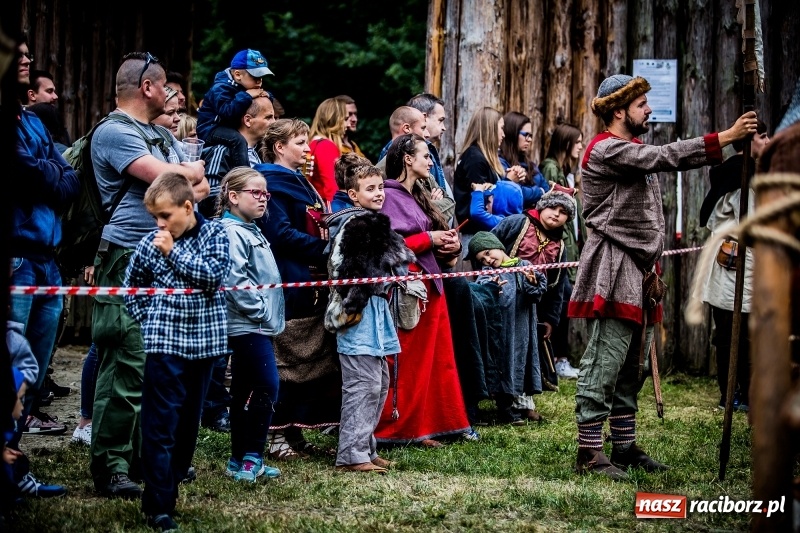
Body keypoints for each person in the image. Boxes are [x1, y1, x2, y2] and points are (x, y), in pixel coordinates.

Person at [568, 74, 758, 479]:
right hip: (613, 268)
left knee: (633, 365)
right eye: (640, 105)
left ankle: (623, 445)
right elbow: (665, 156)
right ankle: (589, 452)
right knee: (605, 360)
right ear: (618, 110)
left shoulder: (630, 149)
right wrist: (726, 136)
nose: (649, 110)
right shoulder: (606, 150)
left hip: (640, 273)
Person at [89, 51, 209, 499]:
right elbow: (167, 177)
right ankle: (111, 466)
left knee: (158, 363)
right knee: (125, 363)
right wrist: (184, 172)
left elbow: (198, 188)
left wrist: (186, 174)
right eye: (166, 88)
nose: (172, 96)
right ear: (148, 88)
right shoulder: (115, 132)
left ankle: (144, 458)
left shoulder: (157, 134)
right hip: (127, 256)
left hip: (165, 255)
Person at [124, 172, 230, 531]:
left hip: (204, 347)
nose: (160, 224)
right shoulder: (151, 243)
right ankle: (158, 503)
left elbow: (213, 277)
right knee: (160, 424)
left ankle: (173, 482)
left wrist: (174, 255)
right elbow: (131, 286)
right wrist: (149, 320)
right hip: (164, 346)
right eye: (155, 217)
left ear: (188, 207)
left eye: (165, 216)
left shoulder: (216, 234)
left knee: (187, 426)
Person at [375, 133, 473, 446]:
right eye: (425, 155)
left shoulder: (418, 195)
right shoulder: (389, 197)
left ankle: (426, 427)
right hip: (409, 289)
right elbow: (388, 245)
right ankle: (399, 429)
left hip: (430, 285)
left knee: (434, 362)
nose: (430, 162)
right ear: (407, 159)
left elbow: (426, 240)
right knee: (410, 363)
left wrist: (447, 246)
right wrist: (430, 240)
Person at [255, 119, 340, 460]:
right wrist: (327, 248)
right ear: (279, 147)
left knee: (309, 359)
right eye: (300, 143)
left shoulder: (300, 182)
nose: (308, 149)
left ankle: (295, 432)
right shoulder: (270, 182)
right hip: (289, 279)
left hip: (311, 280)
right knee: (286, 361)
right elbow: (280, 233)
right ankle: (275, 436)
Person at [9, 38, 78, 441]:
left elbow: (68, 177)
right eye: (16, 55)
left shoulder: (33, 120)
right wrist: (50, 175)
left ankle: (16, 460)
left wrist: (48, 175)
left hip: (47, 258)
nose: (26, 60)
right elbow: (26, 173)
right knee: (10, 365)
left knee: (35, 366)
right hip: (15, 255)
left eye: (27, 53)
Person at [325, 164, 414, 473]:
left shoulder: (374, 222)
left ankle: (366, 447)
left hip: (377, 313)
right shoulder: (355, 225)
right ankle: (351, 454)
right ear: (353, 194)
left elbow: (397, 261)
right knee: (362, 384)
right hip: (358, 314)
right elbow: (349, 273)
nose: (378, 194)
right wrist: (357, 302)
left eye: (380, 188)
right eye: (370, 189)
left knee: (379, 382)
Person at [215, 167, 284, 482]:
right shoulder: (231, 231)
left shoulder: (249, 228)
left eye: (265, 193)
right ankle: (252, 456)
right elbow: (235, 280)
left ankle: (239, 458)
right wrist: (260, 312)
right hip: (247, 324)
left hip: (255, 323)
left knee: (244, 388)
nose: (263, 198)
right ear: (233, 196)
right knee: (267, 385)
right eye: (255, 192)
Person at [698, 119, 769, 412]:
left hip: (754, 264)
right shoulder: (736, 176)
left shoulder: (756, 174)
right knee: (730, 334)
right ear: (750, 141)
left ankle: (749, 394)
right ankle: (732, 394)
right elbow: (718, 220)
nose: (768, 141)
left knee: (751, 335)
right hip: (732, 264)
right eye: (763, 137)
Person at [492, 186, 575, 419]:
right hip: (502, 297)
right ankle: (502, 401)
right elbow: (487, 244)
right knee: (503, 349)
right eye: (552, 207)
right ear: (542, 206)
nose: (556, 214)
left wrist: (550, 319)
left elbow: (558, 286)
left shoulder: (560, 247)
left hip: (532, 307)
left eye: (563, 211)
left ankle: (522, 402)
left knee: (526, 353)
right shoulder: (517, 223)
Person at [468, 231, 548, 424]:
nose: (488, 259)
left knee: (520, 362)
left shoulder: (524, 266)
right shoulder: (487, 274)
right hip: (501, 330)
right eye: (482, 259)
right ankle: (505, 410)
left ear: (499, 246)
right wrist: (492, 289)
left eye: (488, 252)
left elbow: (535, 295)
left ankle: (520, 406)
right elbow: (482, 296)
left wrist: (532, 282)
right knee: (503, 364)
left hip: (522, 328)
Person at [540, 123, 587, 380]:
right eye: (577, 141)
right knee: (561, 300)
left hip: (571, 248)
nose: (580, 146)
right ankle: (556, 359)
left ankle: (560, 358)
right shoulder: (551, 168)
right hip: (560, 248)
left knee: (566, 300)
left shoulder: (567, 171)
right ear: (566, 143)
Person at [197, 48, 273, 170]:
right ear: (237, 75)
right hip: (211, 128)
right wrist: (247, 95)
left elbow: (262, 102)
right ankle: (244, 175)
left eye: (261, 77)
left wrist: (267, 95)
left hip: (227, 126)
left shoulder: (245, 84)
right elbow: (227, 112)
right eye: (255, 76)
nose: (259, 81)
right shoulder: (220, 87)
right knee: (238, 140)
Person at [452, 107, 509, 251]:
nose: (503, 134)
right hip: (479, 234)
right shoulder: (475, 159)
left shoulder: (480, 157)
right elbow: (483, 201)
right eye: (501, 128)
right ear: (489, 129)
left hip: (485, 231)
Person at [406, 93, 456, 224]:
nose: (444, 127)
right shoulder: (399, 153)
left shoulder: (429, 150)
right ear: (424, 117)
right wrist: (433, 205)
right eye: (440, 120)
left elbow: (448, 201)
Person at [499, 111, 550, 206]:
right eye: (526, 135)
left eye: (530, 136)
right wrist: (540, 192)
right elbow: (517, 194)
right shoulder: (500, 162)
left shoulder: (531, 164)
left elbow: (547, 189)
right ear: (512, 133)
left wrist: (537, 192)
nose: (529, 139)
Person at [307, 97, 348, 204]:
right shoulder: (326, 146)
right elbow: (332, 188)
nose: (347, 125)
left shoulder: (313, 143)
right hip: (328, 210)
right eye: (345, 119)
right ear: (335, 120)